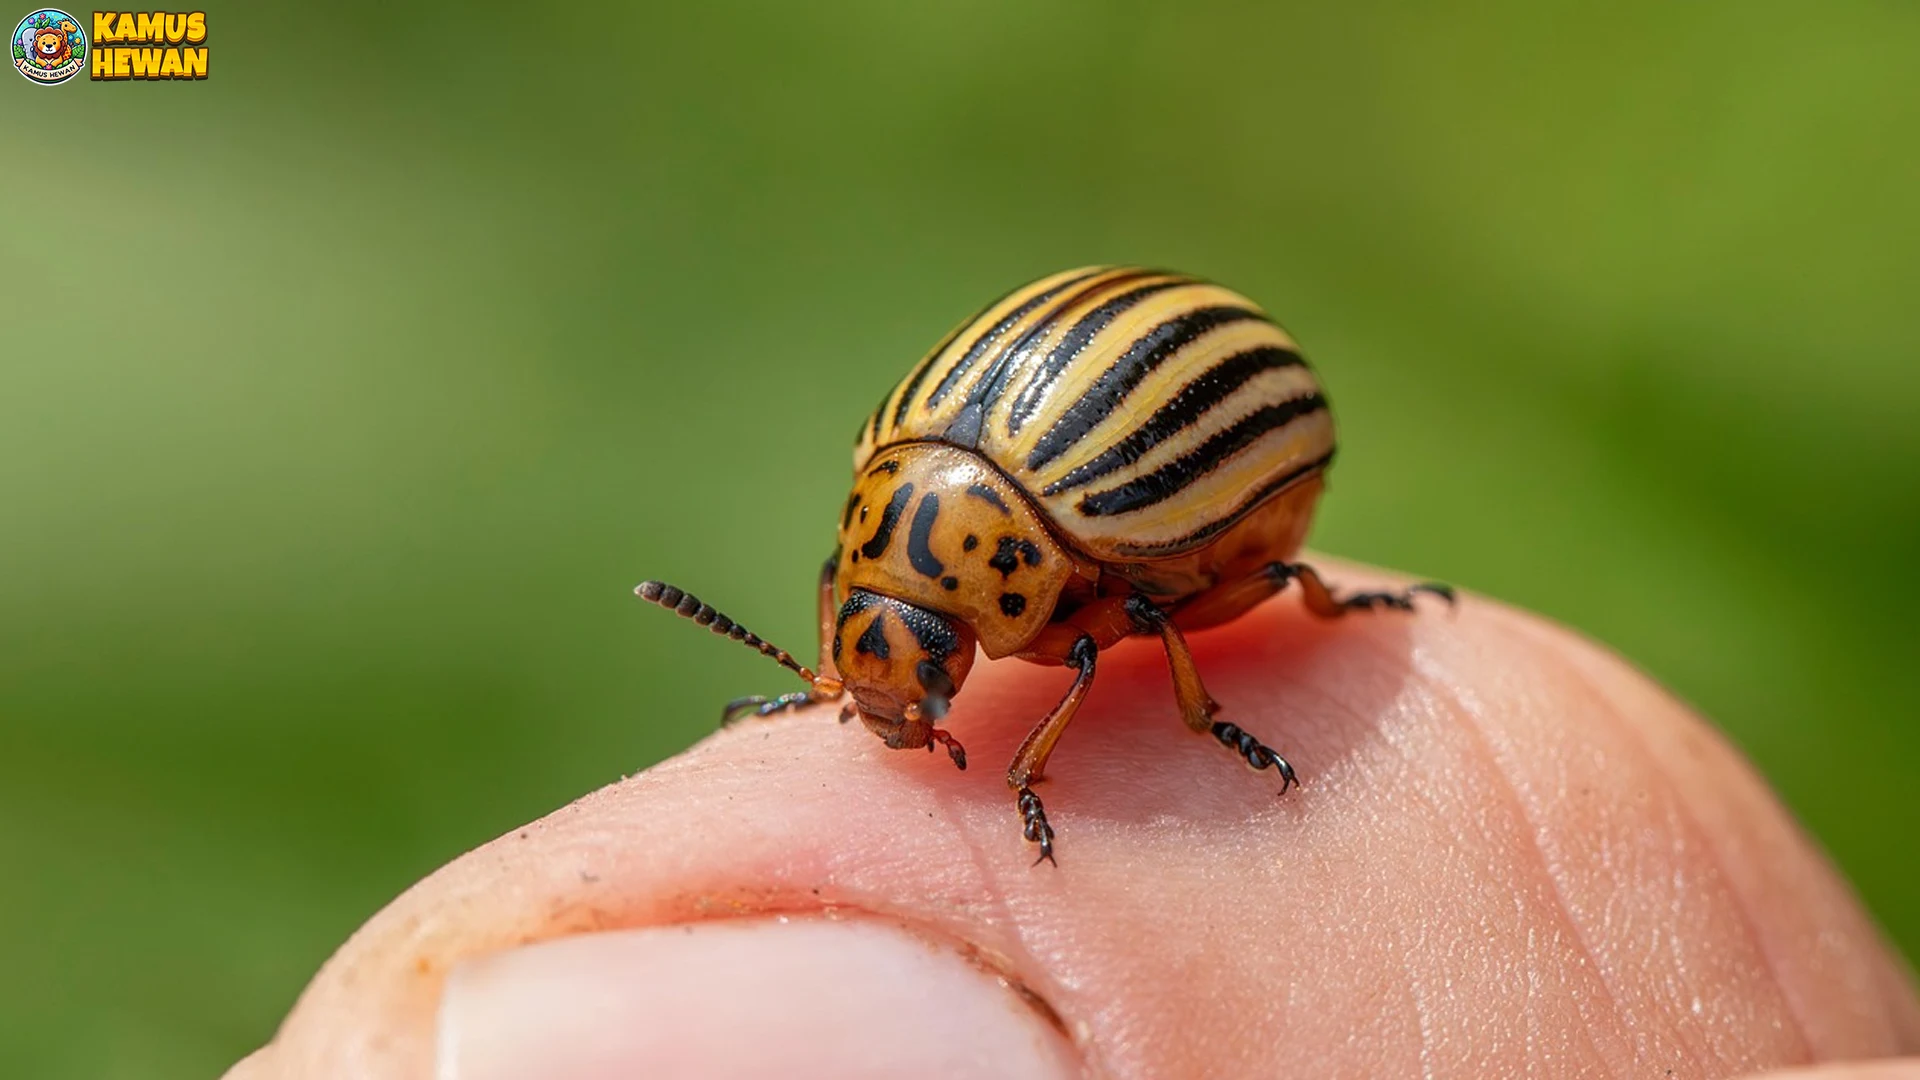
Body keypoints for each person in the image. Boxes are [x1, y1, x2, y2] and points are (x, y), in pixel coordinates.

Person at [224, 560, 1920, 1079]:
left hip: (1170, 489)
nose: (902, 703)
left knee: (1161, 639)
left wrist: (1036, 770)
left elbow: (1171, 619)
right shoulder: (958, 577)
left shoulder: (1083, 598)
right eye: (870, 672)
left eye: (899, 673)